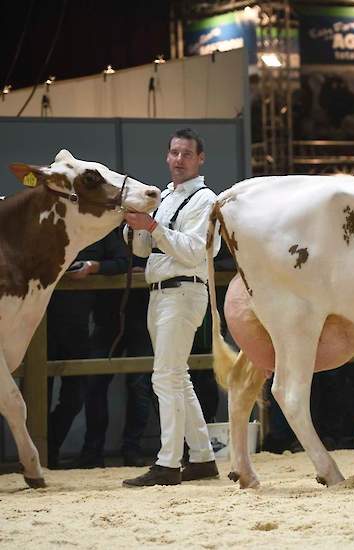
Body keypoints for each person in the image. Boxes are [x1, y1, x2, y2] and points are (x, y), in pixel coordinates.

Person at [122, 128, 222, 486]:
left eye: (186, 154)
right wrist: (135, 227)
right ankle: (202, 458)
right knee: (177, 377)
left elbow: (197, 250)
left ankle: (167, 463)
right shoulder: (163, 197)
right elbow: (142, 250)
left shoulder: (206, 200)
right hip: (160, 291)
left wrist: (152, 226)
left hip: (183, 291)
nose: (178, 160)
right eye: (174, 153)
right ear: (167, 156)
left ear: (200, 159)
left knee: (165, 377)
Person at [46, 232, 133, 468]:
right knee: (35, 396)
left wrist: (93, 267)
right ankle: (44, 455)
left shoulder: (99, 230)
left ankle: (48, 449)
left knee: (74, 399)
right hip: (39, 326)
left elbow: (124, 262)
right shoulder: (45, 223)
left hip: (78, 327)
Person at [74, 228, 153, 469]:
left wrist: (106, 267)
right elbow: (115, 261)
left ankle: (132, 448)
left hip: (141, 317)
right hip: (107, 318)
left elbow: (146, 262)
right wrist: (111, 267)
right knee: (95, 384)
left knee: (140, 386)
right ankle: (93, 451)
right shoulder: (104, 230)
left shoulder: (150, 228)